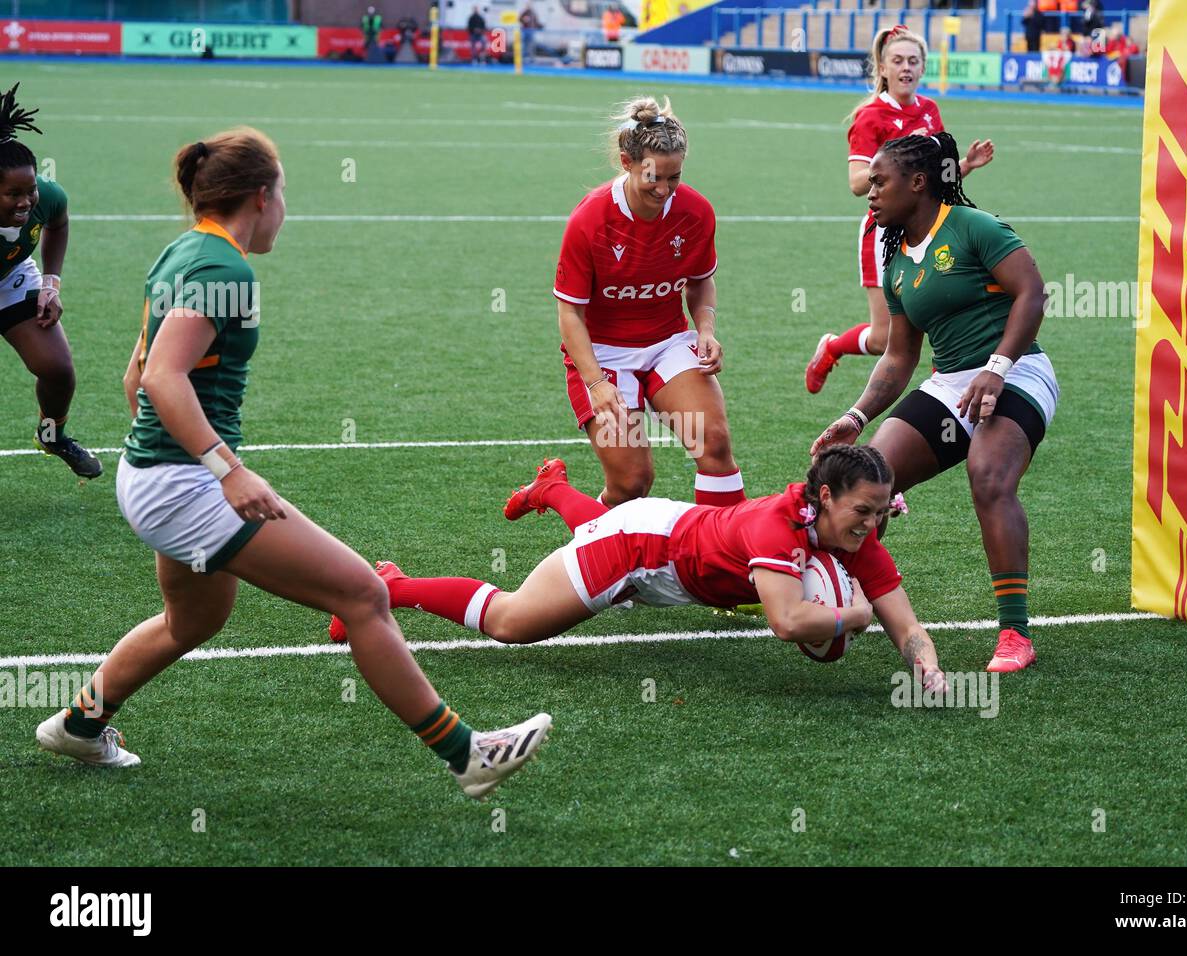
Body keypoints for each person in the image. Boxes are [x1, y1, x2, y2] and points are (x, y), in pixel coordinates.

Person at [35, 127, 549, 800]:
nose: (285, 208)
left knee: (193, 620)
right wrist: (225, 469)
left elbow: (136, 375)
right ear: (260, 196)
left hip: (155, 476)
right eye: (284, 193)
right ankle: (468, 754)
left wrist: (170, 458)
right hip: (185, 486)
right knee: (363, 594)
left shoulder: (183, 251)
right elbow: (161, 375)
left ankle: (79, 724)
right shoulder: (225, 269)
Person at [333, 446, 950, 694]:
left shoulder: (851, 529)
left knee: (593, 535)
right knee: (513, 623)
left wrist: (926, 664)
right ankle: (392, 585)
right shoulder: (776, 530)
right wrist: (852, 612)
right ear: (822, 499)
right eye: (863, 511)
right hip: (639, 549)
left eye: (878, 511)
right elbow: (789, 622)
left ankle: (552, 490)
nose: (872, 524)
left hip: (669, 537)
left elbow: (901, 612)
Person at [810, 132, 1058, 675]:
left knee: (988, 475)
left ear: (917, 183)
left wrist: (997, 369)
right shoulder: (895, 256)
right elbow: (899, 358)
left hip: (1016, 371)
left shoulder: (974, 227)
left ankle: (1016, 632)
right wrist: (855, 417)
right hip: (951, 384)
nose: (869, 192)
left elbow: (1033, 293)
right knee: (868, 475)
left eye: (880, 182)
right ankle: (851, 597)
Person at [524, 96, 743, 517]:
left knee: (712, 443)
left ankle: (728, 561)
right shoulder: (590, 221)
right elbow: (570, 313)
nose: (664, 189)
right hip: (603, 356)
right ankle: (557, 495)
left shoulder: (696, 213)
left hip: (667, 345)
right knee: (632, 483)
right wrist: (596, 383)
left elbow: (700, 282)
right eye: (653, 177)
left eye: (674, 178)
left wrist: (706, 329)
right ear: (626, 162)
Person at [804, 25, 994, 395]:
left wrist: (965, 166)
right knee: (882, 339)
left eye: (913, 61)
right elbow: (857, 183)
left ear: (923, 68)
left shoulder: (929, 110)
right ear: (883, 67)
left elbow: (939, 176)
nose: (906, 67)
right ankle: (831, 347)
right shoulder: (870, 117)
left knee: (946, 310)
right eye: (898, 61)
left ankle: (952, 391)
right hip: (885, 233)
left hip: (931, 229)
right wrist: (890, 165)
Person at [0, 84, 100, 479]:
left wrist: (50, 285)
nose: (26, 201)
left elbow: (58, 223)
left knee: (57, 369)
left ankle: (51, 435)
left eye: (30, 190)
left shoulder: (47, 197)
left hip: (11, 275)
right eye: (12, 194)